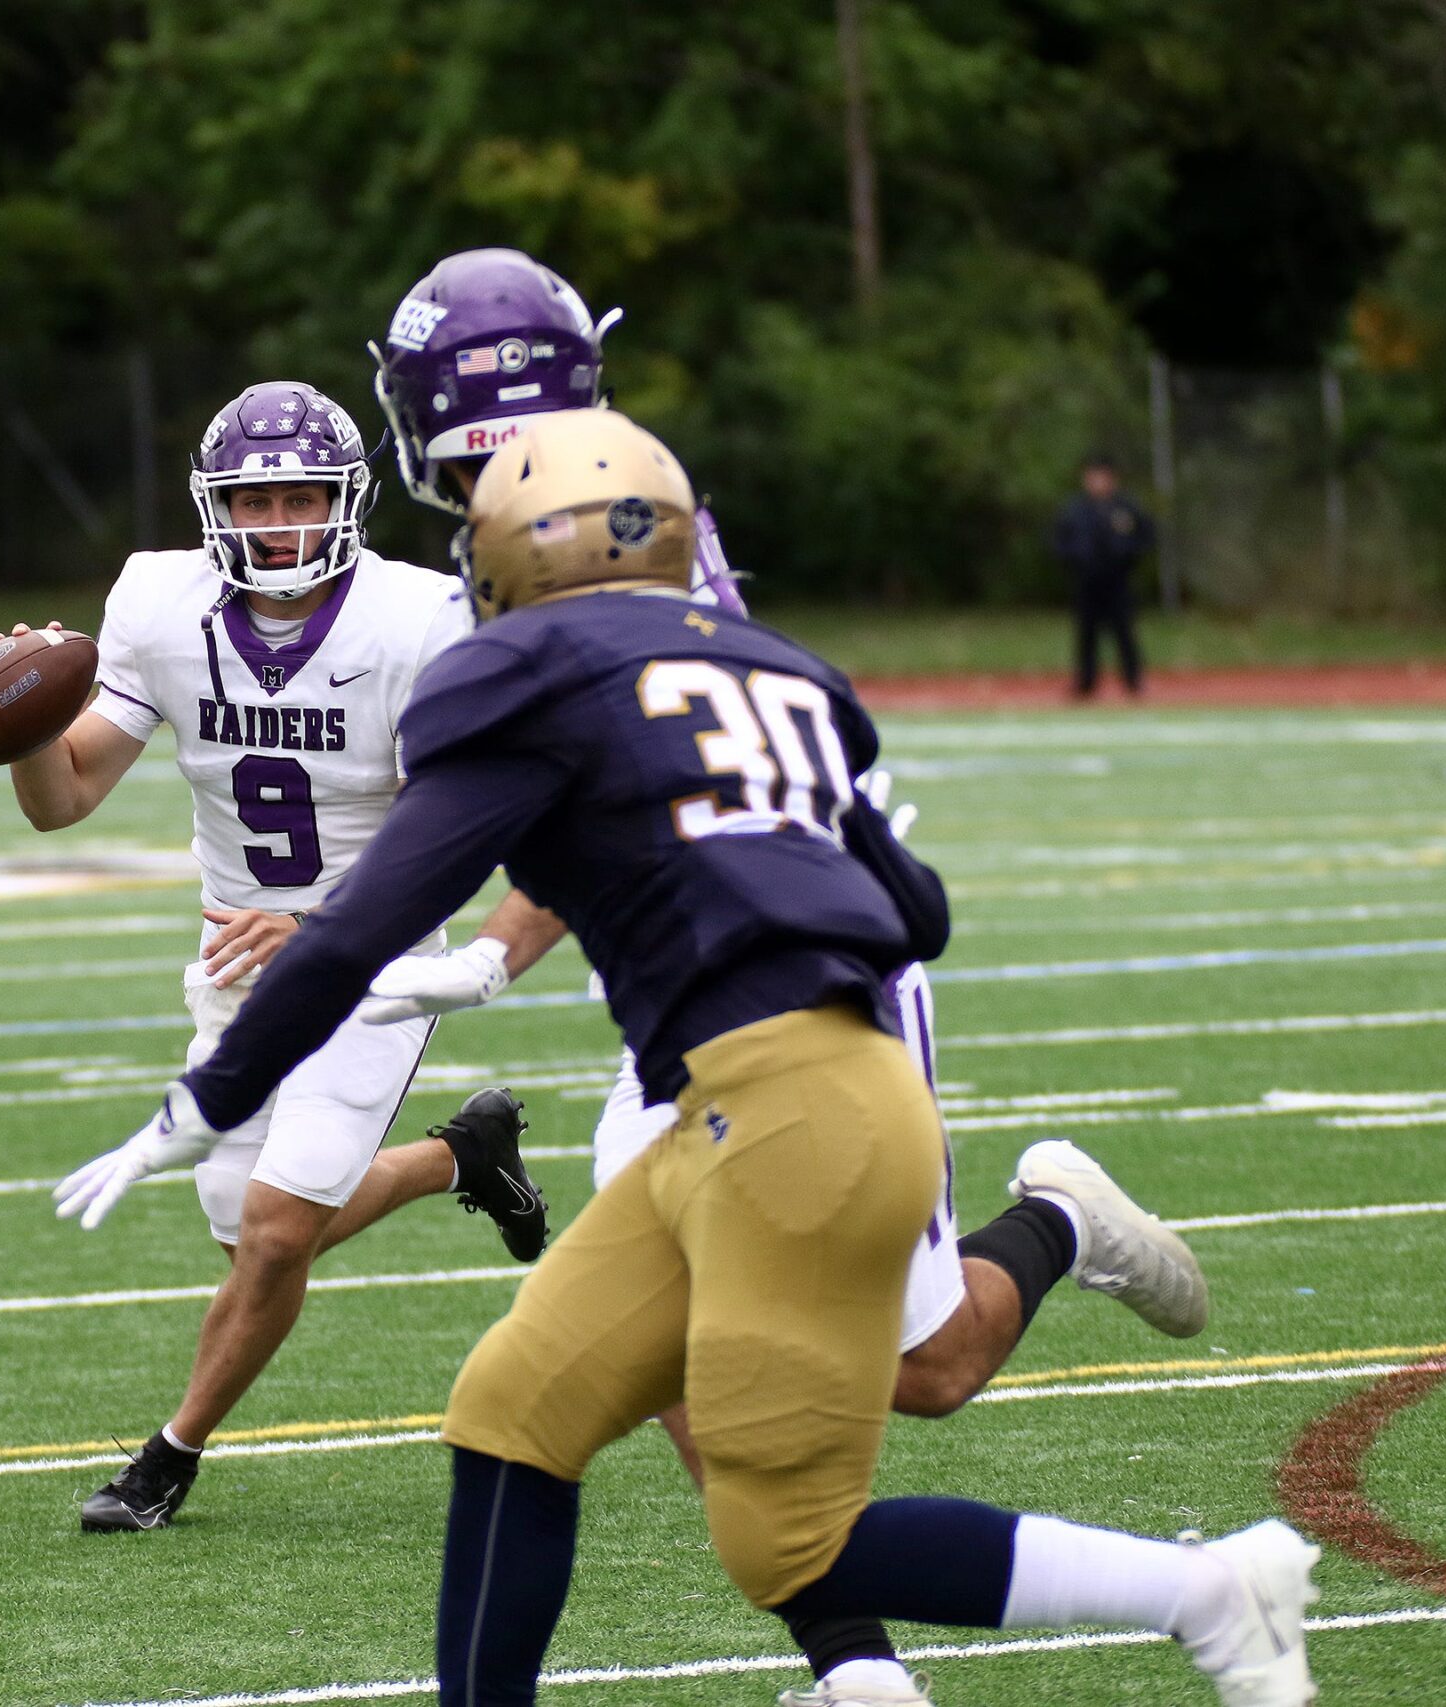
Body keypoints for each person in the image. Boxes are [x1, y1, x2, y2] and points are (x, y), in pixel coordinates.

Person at [59, 411, 1319, 1707]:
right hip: (768, 1085)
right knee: (512, 1409)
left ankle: (1209, 1590)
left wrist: (202, 1100)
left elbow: (364, 921)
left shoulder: (519, 670)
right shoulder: (771, 667)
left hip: (779, 1110)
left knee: (785, 1533)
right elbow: (918, 908)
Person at [358, 249, 1203, 1471]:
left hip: (812, 955)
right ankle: (844, 1651)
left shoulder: (603, 541)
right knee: (671, 1353)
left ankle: (1061, 1221)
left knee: (928, 1368)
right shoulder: (567, 519)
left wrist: (480, 953)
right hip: (680, 991)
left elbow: (641, 790)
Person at [7, 380, 550, 1533]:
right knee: (244, 1222)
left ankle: (166, 1457)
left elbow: (461, 821)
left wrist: (324, 927)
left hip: (375, 955)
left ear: (346, 499)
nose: (279, 523)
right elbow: (65, 798)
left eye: (302, 496)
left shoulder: (419, 618)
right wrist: (18, 735)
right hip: (235, 955)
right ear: (217, 506)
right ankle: (464, 1155)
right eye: (255, 500)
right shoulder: (159, 601)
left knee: (274, 1231)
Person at [1052, 453, 1154, 697]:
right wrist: (1075, 559)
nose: (1096, 482)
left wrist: (1127, 557)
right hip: (1086, 581)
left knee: (1124, 631)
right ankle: (1086, 683)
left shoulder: (1126, 508)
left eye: (1101, 477)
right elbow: (1059, 541)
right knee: (1086, 633)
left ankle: (1133, 681)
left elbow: (1146, 537)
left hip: (1118, 581)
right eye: (1092, 477)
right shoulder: (1075, 510)